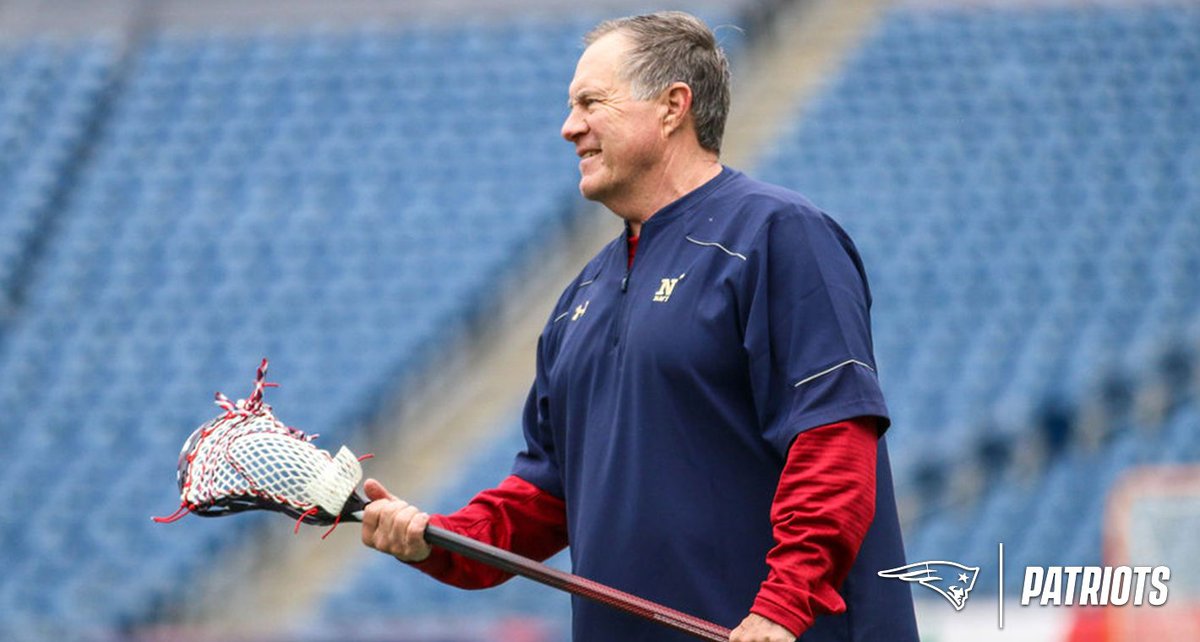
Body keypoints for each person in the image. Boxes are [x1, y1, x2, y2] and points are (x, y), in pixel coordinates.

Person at [362, 11, 918, 642]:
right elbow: (544, 498)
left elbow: (835, 439)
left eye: (591, 103)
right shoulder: (580, 296)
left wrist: (781, 609)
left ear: (672, 106)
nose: (570, 127)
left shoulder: (778, 234)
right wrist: (433, 540)